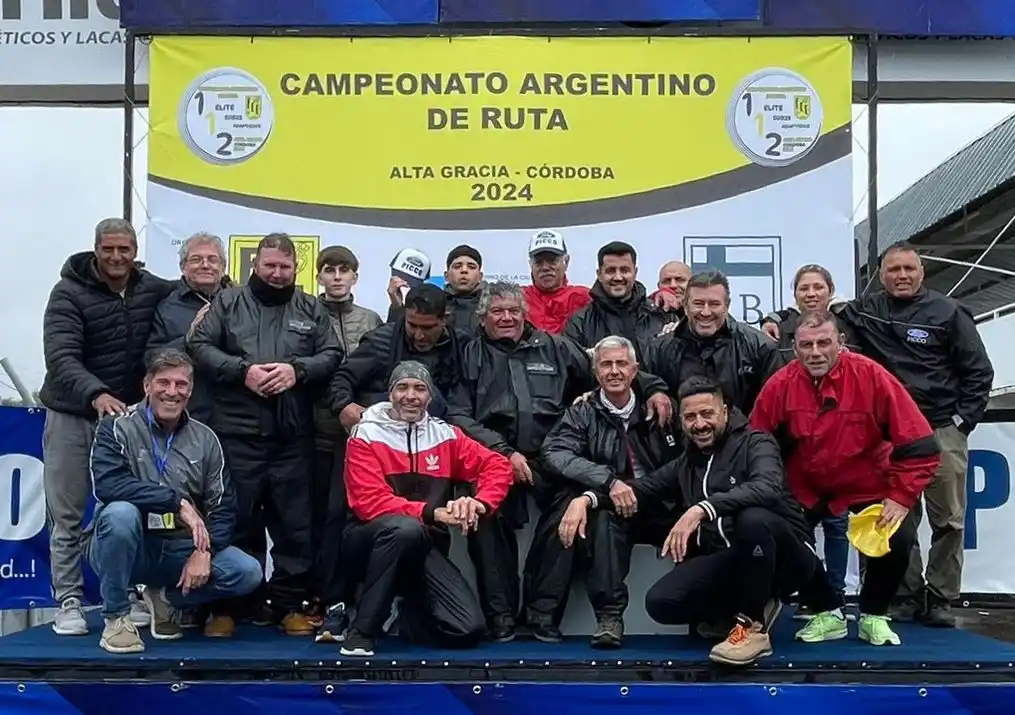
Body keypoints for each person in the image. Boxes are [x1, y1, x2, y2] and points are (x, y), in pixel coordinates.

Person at [447, 282, 671, 643]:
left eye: (513, 311)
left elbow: (610, 369)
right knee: (485, 516)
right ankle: (500, 615)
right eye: (497, 312)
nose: (506, 318)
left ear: (525, 314)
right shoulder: (467, 355)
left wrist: (655, 387)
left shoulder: (556, 347)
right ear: (482, 317)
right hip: (493, 458)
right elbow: (457, 413)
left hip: (556, 457)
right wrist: (503, 452)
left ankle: (542, 614)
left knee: (570, 513)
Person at [750, 310, 941, 646]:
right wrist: (771, 490)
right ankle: (826, 611)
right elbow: (755, 443)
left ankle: (874, 614)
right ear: (794, 348)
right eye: (806, 345)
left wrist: (900, 497)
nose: (815, 352)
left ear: (841, 342)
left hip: (868, 482)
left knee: (900, 532)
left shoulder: (873, 376)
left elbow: (920, 443)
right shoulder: (780, 384)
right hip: (805, 484)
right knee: (773, 529)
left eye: (824, 342)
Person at [188, 233, 343, 636]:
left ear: (297, 269)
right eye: (270, 265)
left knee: (295, 526)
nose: (277, 274)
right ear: (255, 264)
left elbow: (332, 354)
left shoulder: (311, 308)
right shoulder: (227, 302)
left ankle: (289, 605)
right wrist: (243, 372)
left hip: (292, 435)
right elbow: (199, 346)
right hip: (235, 433)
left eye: (285, 267)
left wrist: (298, 371)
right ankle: (227, 608)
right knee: (236, 523)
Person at [839, 243, 993, 627]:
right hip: (893, 436)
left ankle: (941, 598)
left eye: (909, 268)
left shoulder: (949, 312)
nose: (901, 275)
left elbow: (979, 372)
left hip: (941, 429)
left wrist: (961, 422)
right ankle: (905, 595)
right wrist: (777, 317)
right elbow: (817, 303)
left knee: (949, 521)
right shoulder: (867, 310)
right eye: (893, 269)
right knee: (896, 519)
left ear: (922, 272)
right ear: (881, 273)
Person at [40, 217, 172, 636]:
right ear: (95, 250)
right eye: (108, 249)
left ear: (135, 252)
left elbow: (188, 295)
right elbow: (61, 357)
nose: (116, 257)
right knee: (68, 514)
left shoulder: (152, 288)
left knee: (128, 511)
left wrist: (220, 289)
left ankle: (126, 593)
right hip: (73, 415)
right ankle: (69, 600)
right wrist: (95, 394)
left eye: (124, 250)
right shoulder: (67, 293)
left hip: (126, 422)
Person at [85, 349, 262, 653]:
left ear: (190, 391)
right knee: (119, 514)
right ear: (146, 385)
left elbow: (222, 507)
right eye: (163, 383)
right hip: (129, 545)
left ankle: (165, 598)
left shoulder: (206, 439)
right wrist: (175, 501)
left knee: (247, 571)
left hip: (177, 548)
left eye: (181, 384)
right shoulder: (116, 427)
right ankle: (116, 617)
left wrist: (205, 550)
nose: (171, 392)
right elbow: (108, 485)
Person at [318, 283, 467, 641]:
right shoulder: (384, 339)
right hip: (372, 441)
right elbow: (341, 378)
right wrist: (344, 406)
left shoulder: (460, 345)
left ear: (444, 320)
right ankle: (335, 604)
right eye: (412, 325)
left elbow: (464, 398)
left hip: (427, 442)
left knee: (424, 523)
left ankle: (408, 601)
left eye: (427, 327)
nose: (417, 333)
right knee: (346, 516)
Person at [634, 377, 819, 666]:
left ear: (724, 412)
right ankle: (738, 614)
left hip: (788, 557)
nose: (700, 424)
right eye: (690, 417)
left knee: (752, 519)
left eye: (707, 414)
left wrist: (702, 509)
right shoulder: (687, 461)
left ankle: (752, 627)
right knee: (661, 602)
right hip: (735, 561)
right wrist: (589, 497)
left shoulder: (756, 441)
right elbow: (641, 490)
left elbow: (767, 488)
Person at [340, 361, 514, 657]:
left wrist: (479, 502)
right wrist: (432, 513)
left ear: (430, 397)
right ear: (390, 393)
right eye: (402, 388)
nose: (411, 396)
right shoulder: (365, 434)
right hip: (367, 542)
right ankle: (361, 632)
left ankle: (405, 614)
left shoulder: (445, 435)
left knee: (466, 629)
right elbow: (369, 502)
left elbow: (497, 465)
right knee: (405, 529)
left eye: (419, 388)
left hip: (424, 547)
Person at [544, 336, 683, 648]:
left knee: (704, 525)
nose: (614, 371)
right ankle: (609, 618)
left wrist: (589, 496)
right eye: (606, 364)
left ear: (635, 370)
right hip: (614, 507)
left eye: (622, 364)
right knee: (602, 524)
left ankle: (715, 614)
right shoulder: (582, 411)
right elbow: (554, 453)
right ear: (596, 373)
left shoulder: (662, 409)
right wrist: (606, 482)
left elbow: (681, 465)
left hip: (660, 504)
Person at [758, 264, 856, 612]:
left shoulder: (850, 322)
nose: (811, 293)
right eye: (804, 288)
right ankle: (806, 589)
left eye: (818, 287)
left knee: (837, 524)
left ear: (830, 290)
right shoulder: (778, 327)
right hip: (795, 446)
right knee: (800, 523)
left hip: (840, 445)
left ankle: (836, 590)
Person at [309, 245, 382, 626]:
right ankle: (318, 597)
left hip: (360, 436)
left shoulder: (370, 319)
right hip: (313, 433)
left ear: (355, 276)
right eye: (329, 270)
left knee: (352, 516)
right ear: (319, 275)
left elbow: (378, 371)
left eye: (344, 270)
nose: (337, 277)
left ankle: (351, 596)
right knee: (317, 518)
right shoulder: (305, 313)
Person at [642, 271, 784, 414]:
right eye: (698, 304)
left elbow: (774, 408)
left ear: (727, 306)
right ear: (685, 306)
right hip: (680, 434)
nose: (705, 312)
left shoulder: (759, 347)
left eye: (714, 304)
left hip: (742, 434)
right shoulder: (659, 349)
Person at [146, 232, 231, 424]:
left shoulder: (238, 302)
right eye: (196, 259)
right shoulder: (167, 307)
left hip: (234, 417)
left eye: (212, 259)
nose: (205, 265)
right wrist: (189, 338)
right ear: (183, 266)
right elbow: (151, 359)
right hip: (188, 415)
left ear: (223, 267)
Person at [563, 242, 678, 358]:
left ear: (635, 272)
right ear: (599, 274)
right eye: (611, 271)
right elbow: (570, 364)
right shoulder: (579, 322)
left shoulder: (662, 316)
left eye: (624, 270)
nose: (618, 277)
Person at [521, 230, 591, 334]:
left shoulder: (584, 297)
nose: (545, 268)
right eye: (538, 262)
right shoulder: (518, 297)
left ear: (566, 261)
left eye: (552, 260)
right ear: (530, 265)